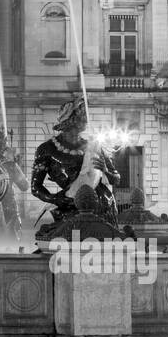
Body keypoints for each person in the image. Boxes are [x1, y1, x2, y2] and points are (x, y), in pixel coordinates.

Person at [30, 99, 119, 236]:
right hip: (69, 206)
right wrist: (54, 199)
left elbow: (116, 179)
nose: (86, 119)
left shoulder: (93, 146)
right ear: (70, 120)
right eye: (81, 116)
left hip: (101, 205)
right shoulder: (47, 149)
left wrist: (106, 171)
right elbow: (35, 187)